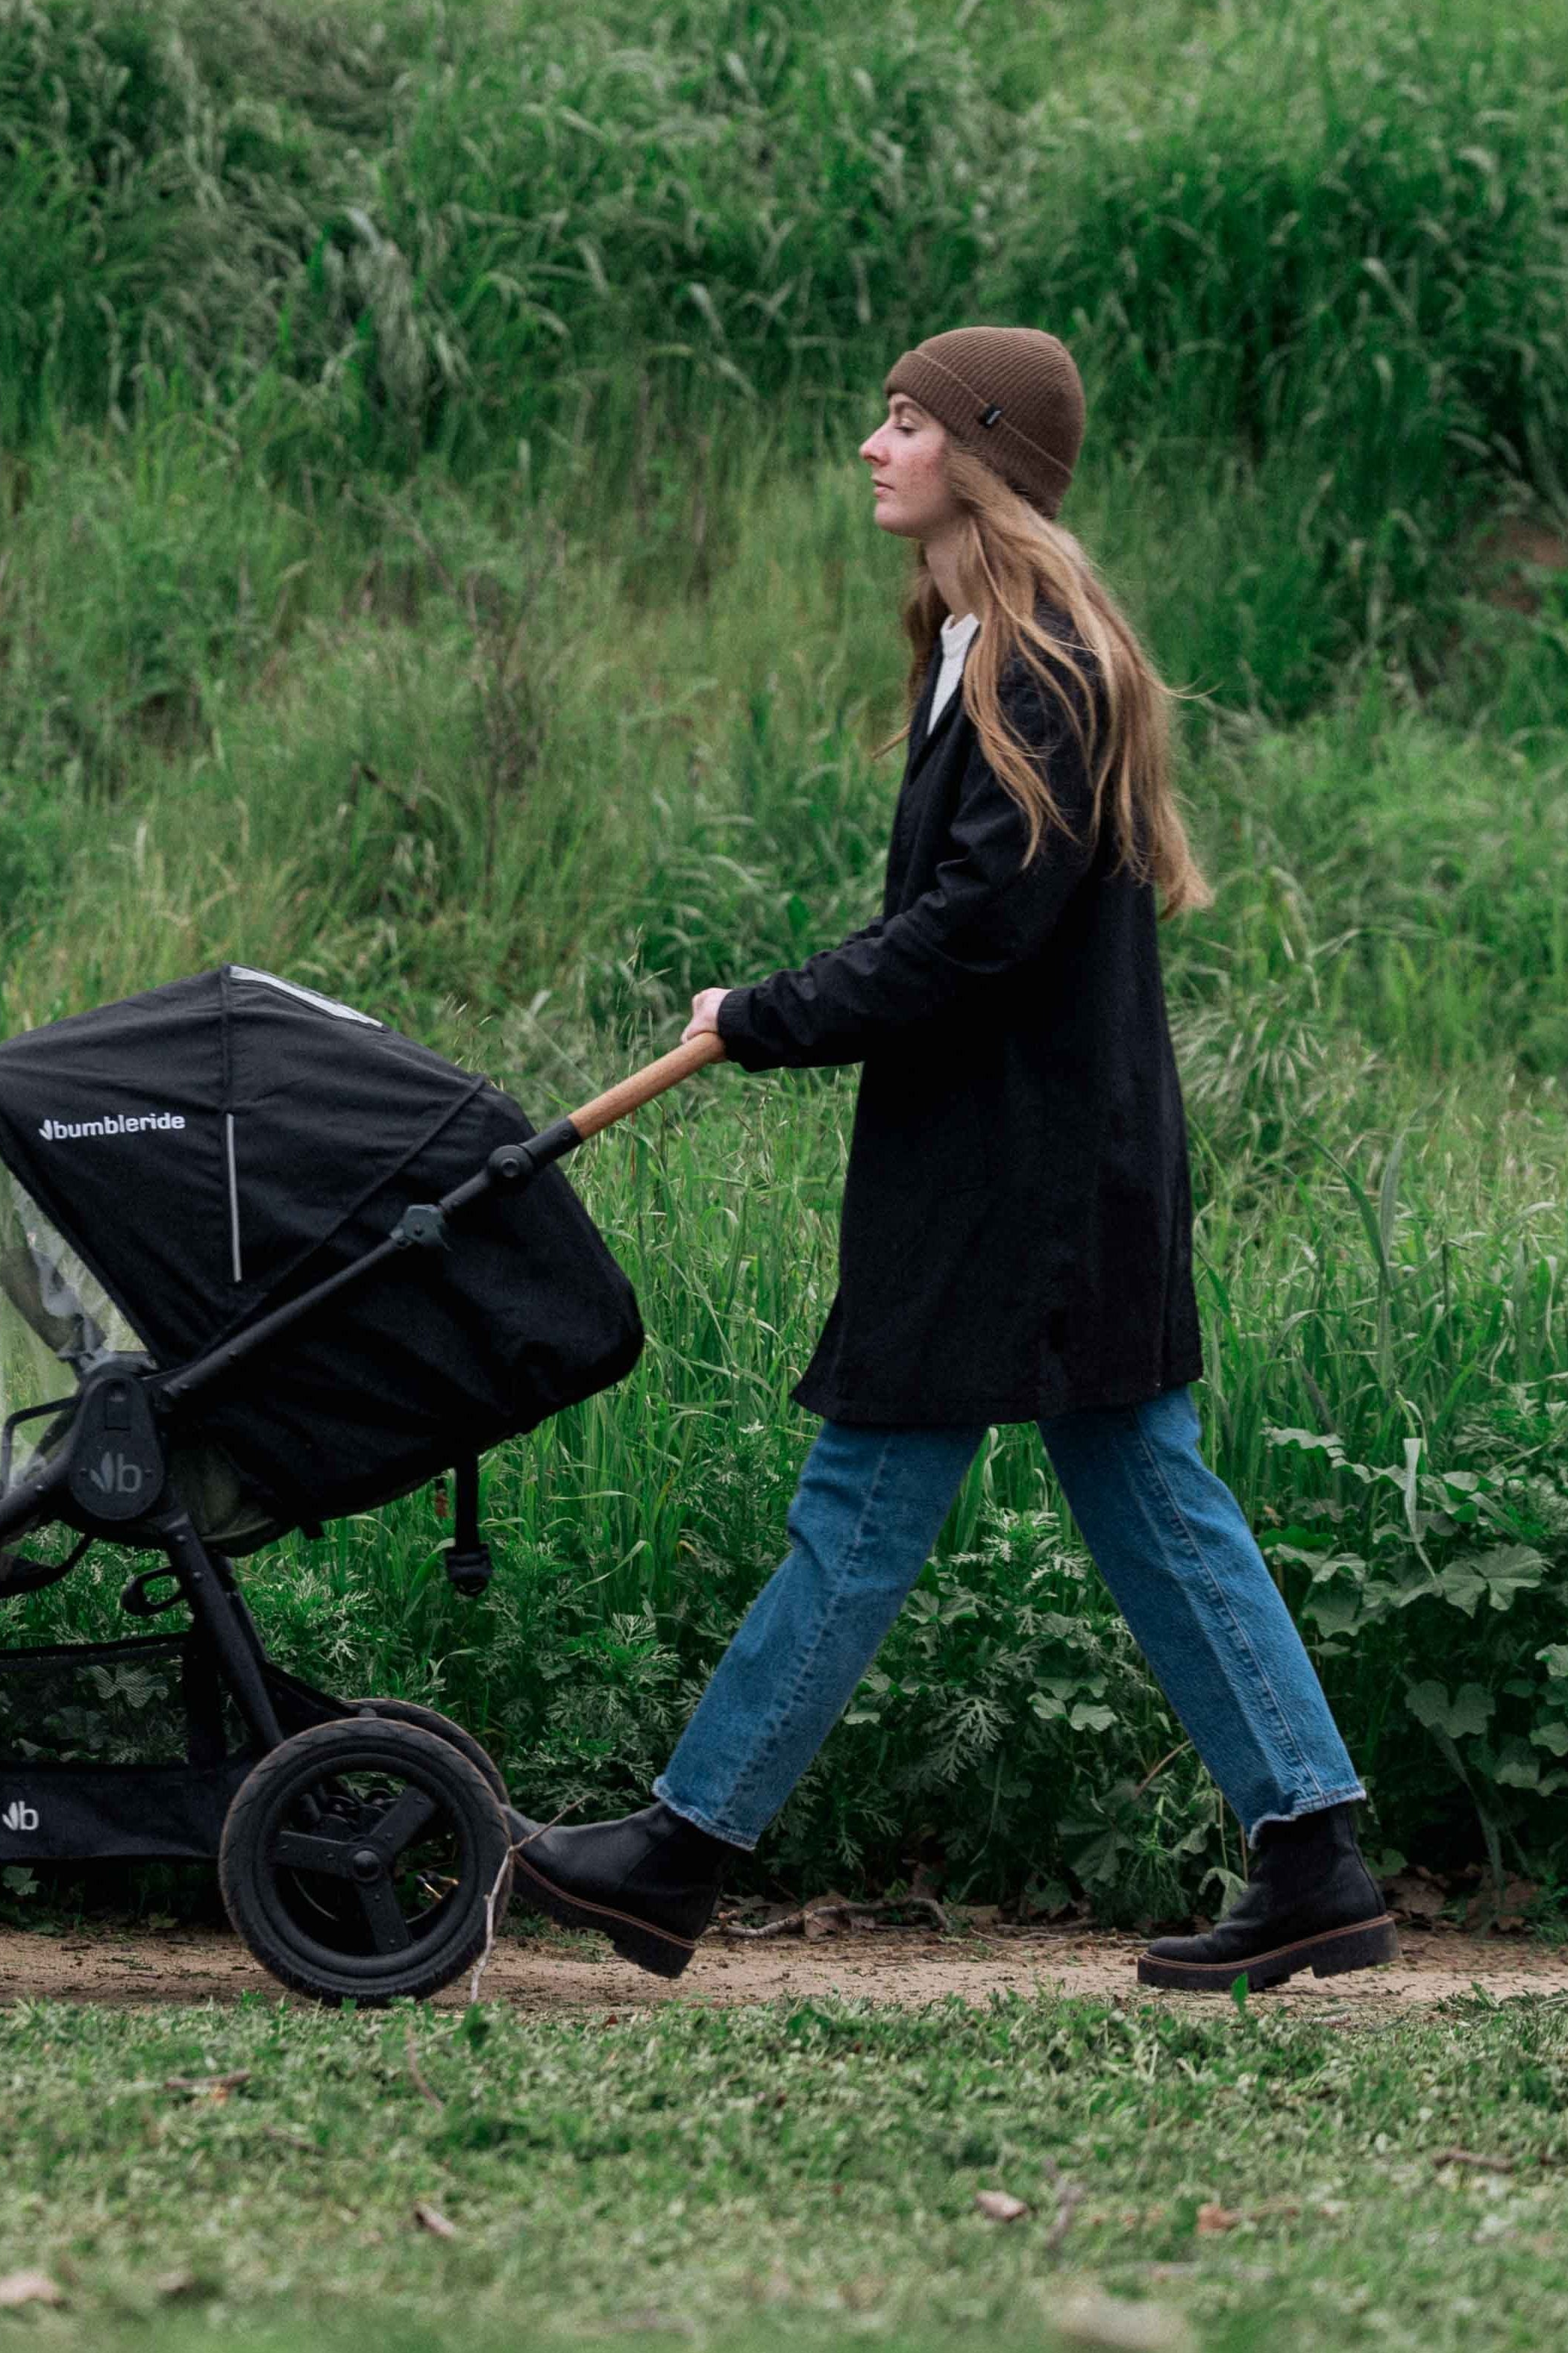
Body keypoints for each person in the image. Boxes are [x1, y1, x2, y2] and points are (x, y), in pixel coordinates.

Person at [511, 326, 1393, 1996]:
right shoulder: (991, 645)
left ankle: (679, 1851)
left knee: (864, 1504)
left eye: (906, 422)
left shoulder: (1033, 662)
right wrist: (783, 1007)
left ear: (979, 455)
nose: (872, 443)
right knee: (1144, 1488)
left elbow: (973, 929)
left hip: (1016, 1185)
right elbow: (969, 926)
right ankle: (1312, 1853)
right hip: (1042, 1166)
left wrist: (768, 1011)